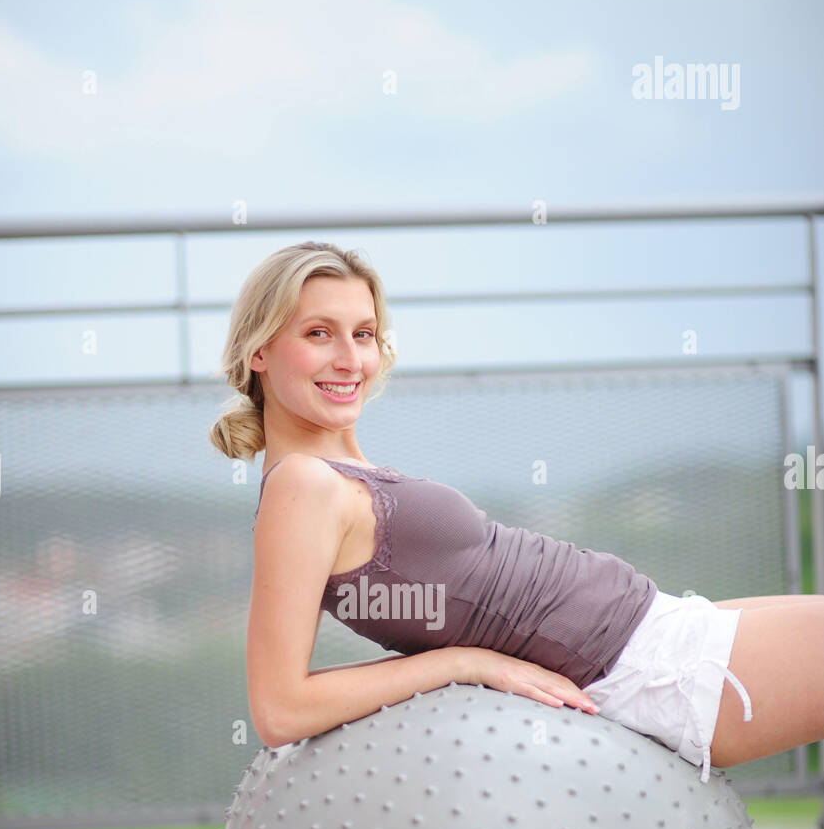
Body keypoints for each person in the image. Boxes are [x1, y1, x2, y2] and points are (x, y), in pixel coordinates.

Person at [209, 241, 824, 783]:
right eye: (319, 334)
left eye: (363, 334)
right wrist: (460, 663)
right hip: (651, 668)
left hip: (659, 625)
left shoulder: (342, 472)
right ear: (259, 350)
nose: (350, 359)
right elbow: (280, 708)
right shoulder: (303, 487)